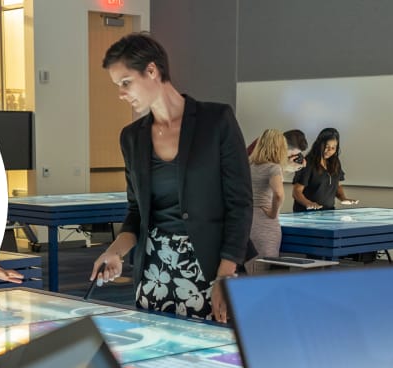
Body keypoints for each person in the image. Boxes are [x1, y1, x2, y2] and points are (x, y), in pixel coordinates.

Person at [91, 32, 252, 323]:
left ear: (152, 71)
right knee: (154, 360)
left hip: (212, 268)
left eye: (126, 83)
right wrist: (115, 252)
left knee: (213, 361)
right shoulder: (131, 137)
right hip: (154, 272)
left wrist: (225, 277)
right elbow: (136, 212)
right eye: (118, 86)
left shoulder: (216, 121)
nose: (121, 94)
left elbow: (240, 205)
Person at [245, 129, 289, 275]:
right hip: (265, 224)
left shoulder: (249, 166)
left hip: (247, 220)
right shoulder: (273, 168)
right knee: (264, 270)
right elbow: (278, 194)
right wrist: (273, 212)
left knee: (249, 268)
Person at [292, 128, 358, 212]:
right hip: (306, 214)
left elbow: (337, 185)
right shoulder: (307, 163)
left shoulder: (335, 162)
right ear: (319, 145)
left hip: (329, 212)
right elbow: (296, 192)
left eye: (333, 148)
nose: (329, 151)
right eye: (326, 147)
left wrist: (343, 198)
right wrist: (309, 203)